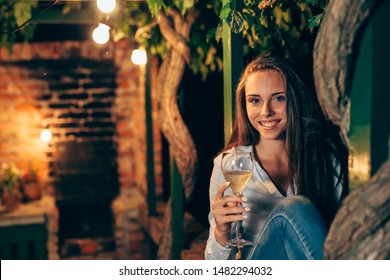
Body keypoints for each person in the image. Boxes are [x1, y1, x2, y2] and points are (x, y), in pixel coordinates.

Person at [205, 55, 347, 260]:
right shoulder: (229, 164)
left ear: (294, 100)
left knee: (295, 208)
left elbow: (341, 235)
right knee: (294, 207)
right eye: (255, 100)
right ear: (244, 106)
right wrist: (221, 232)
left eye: (279, 98)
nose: (266, 111)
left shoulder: (324, 156)